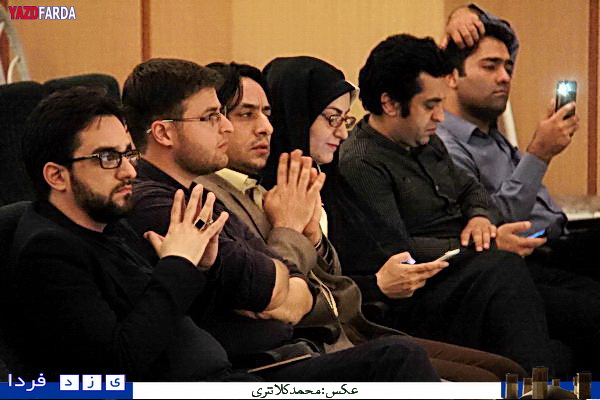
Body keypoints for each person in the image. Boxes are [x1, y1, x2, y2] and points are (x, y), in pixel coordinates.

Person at [122, 57, 440, 382]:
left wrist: (301, 256)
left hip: (300, 347)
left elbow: (294, 287)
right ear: (164, 133)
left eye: (266, 113)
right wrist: (287, 237)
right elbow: (278, 295)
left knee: (424, 360)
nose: (226, 127)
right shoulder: (161, 203)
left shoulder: (198, 193)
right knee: (401, 358)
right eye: (211, 117)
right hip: (252, 368)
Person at [245, 56, 525, 381]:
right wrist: (376, 284)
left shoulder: (331, 178)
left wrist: (479, 220)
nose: (342, 132)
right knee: (497, 290)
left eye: (345, 120)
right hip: (335, 331)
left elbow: (468, 191)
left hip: (368, 315)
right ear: (297, 115)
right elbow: (295, 292)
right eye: (332, 119)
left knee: (509, 367)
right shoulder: (271, 194)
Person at [333, 33, 572, 375]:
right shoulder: (362, 160)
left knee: (578, 304)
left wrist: (479, 219)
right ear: (390, 104)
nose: (440, 117)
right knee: (506, 272)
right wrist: (484, 244)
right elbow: (397, 248)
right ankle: (535, 390)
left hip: (475, 269)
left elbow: (472, 190)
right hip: (423, 291)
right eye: (429, 105)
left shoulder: (425, 142)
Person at [4, 86, 245, 382]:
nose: (130, 171)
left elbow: (170, 317)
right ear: (57, 176)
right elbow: (115, 366)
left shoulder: (107, 222)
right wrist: (177, 265)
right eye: (108, 157)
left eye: (128, 153)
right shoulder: (48, 253)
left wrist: (199, 267)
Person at [437, 9, 600, 374]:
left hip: (559, 244)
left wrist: (468, 13)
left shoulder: (490, 134)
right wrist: (539, 154)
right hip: (516, 263)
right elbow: (492, 224)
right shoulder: (446, 144)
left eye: (508, 67)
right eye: (490, 66)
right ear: (452, 76)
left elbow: (509, 38)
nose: (505, 77)